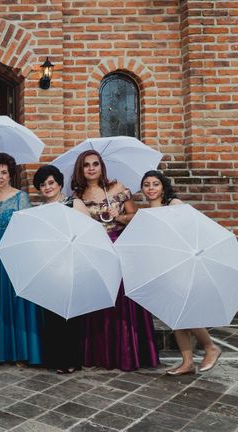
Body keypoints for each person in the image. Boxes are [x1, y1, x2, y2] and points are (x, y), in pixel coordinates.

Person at [71, 150, 159, 371]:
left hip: (120, 246)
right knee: (102, 299)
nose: (91, 168)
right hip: (97, 251)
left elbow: (135, 216)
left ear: (102, 167)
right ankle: (102, 354)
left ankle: (129, 353)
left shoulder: (117, 188)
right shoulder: (78, 197)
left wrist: (118, 215)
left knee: (123, 300)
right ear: (81, 170)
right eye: (86, 165)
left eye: (95, 164)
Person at [141, 170, 222, 375]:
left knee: (184, 312)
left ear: (163, 187)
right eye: (147, 184)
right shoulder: (146, 213)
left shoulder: (174, 205)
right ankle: (187, 363)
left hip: (181, 265)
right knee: (174, 315)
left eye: (155, 184)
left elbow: (193, 231)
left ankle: (210, 346)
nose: (151, 188)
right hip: (162, 268)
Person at [0, 153, 43, 365]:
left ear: (11, 175)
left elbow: (28, 228)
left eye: (4, 172)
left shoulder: (20, 197)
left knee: (16, 301)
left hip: (15, 252)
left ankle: (21, 351)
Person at [33, 164, 89, 374]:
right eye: (42, 185)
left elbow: (88, 231)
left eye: (50, 183)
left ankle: (72, 359)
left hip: (72, 262)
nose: (47, 187)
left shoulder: (74, 204)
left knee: (71, 314)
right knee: (52, 314)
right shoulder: (40, 211)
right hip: (50, 265)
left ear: (59, 184)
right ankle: (56, 358)